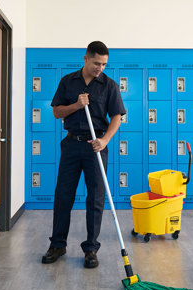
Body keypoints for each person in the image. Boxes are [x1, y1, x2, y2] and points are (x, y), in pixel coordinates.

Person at [42, 41, 125, 268]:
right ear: (86, 58)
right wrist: (76, 106)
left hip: (96, 145)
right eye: (97, 63)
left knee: (95, 198)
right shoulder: (68, 82)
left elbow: (117, 115)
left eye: (104, 64)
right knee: (63, 197)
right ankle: (57, 244)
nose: (100, 68)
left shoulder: (109, 85)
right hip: (71, 144)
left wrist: (105, 139)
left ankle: (91, 249)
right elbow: (57, 112)